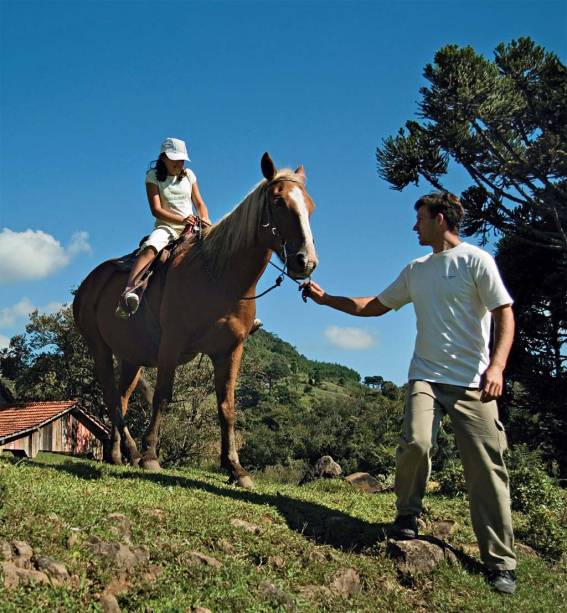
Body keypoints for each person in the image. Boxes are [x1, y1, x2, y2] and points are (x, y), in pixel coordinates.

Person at [301, 191, 517, 595]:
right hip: (426, 377)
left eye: (419, 219)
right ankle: (407, 515)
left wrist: (498, 367)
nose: (413, 226)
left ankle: (501, 562)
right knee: (416, 443)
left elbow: (504, 311)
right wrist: (325, 298)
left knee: (487, 469)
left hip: (473, 381)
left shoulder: (477, 261)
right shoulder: (417, 269)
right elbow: (373, 307)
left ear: (439, 219)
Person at [116, 137, 211, 317]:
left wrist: (205, 217)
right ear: (164, 158)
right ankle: (130, 291)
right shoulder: (152, 176)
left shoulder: (189, 175)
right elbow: (156, 210)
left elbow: (199, 203)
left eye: (181, 159)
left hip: (192, 227)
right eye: (175, 159)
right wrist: (182, 219)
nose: (179, 163)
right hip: (167, 227)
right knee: (151, 246)